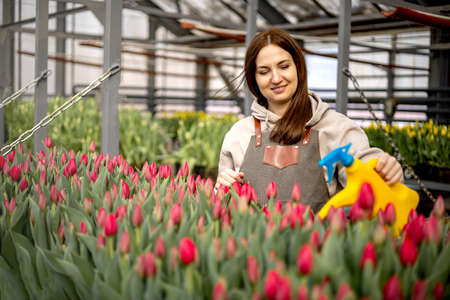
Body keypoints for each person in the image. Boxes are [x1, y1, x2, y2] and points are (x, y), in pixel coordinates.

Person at [215, 28, 403, 212]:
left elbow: (367, 179)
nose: (276, 78)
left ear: (298, 67)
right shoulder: (239, 134)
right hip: (252, 242)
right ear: (253, 78)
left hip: (318, 242)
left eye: (284, 66)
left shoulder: (337, 128)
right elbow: (222, 207)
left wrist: (385, 170)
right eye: (264, 72)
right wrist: (221, 191)